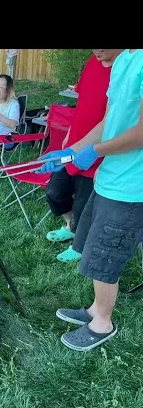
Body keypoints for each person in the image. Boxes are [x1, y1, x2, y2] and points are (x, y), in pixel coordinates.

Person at [39, 49, 143, 352]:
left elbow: (140, 133)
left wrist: (95, 152)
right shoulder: (123, 61)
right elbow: (109, 121)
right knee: (97, 247)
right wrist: (71, 151)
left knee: (106, 254)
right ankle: (96, 309)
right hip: (112, 175)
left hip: (132, 184)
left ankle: (103, 323)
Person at [45, 49, 124, 263]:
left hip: (97, 151)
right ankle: (70, 226)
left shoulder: (124, 69)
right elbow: (81, 105)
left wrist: (97, 152)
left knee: (84, 205)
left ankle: (79, 245)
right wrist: (70, 134)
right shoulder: (91, 63)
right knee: (55, 191)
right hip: (74, 145)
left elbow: (112, 121)